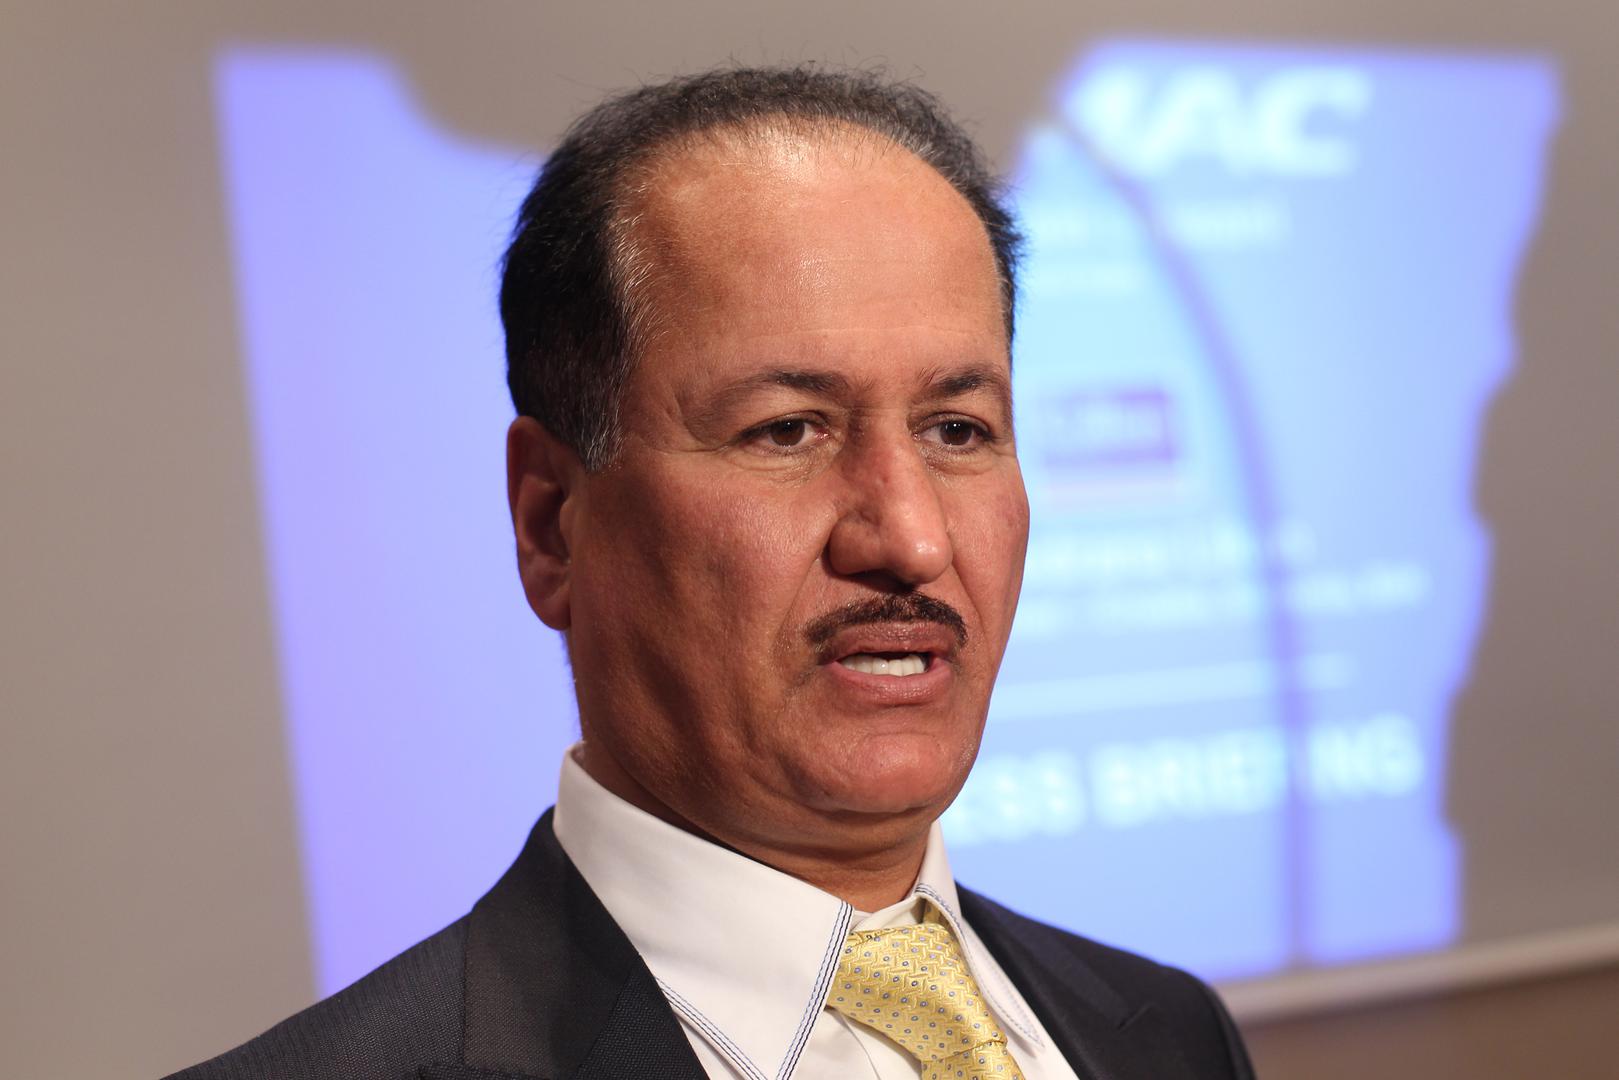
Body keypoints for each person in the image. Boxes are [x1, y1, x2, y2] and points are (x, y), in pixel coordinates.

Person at [172, 66, 1254, 1080]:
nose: (910, 538)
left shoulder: (1168, 1031)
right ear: (550, 523)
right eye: (786, 430)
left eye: (956, 430)